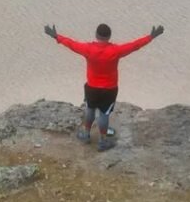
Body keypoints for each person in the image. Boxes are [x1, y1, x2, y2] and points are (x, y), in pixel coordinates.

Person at [44, 22, 164, 150]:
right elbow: (135, 46)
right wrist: (151, 37)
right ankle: (102, 141)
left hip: (91, 88)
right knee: (104, 114)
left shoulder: (88, 49)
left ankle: (86, 134)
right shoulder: (116, 51)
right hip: (109, 89)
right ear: (109, 36)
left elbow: (71, 44)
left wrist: (56, 36)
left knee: (90, 109)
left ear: (96, 35)